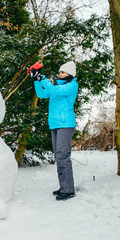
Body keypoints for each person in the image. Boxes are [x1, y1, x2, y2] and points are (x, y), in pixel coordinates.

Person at [28, 61, 78, 201]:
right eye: (60, 72)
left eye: (63, 72)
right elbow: (42, 93)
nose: (60, 74)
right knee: (59, 156)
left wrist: (42, 77)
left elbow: (54, 90)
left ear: (70, 74)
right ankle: (64, 187)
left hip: (65, 124)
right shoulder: (57, 88)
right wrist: (36, 80)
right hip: (55, 124)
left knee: (63, 156)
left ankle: (68, 190)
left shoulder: (71, 86)